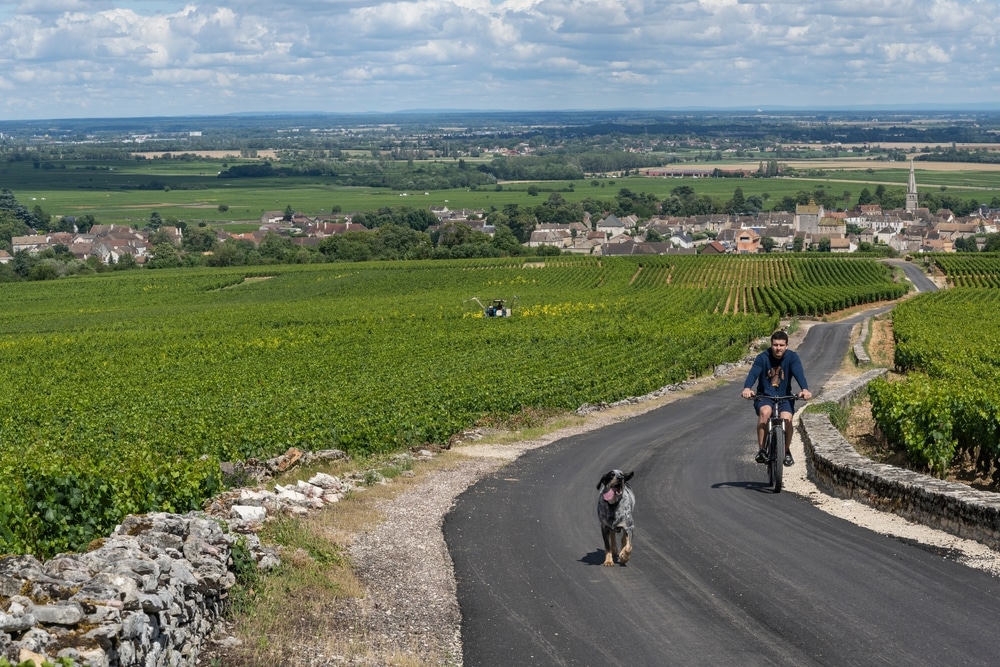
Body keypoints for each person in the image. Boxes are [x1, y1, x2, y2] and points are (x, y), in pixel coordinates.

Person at [741, 330, 812, 467]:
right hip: (765, 396)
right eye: (775, 345)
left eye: (781, 345)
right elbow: (753, 373)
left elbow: (799, 374)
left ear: (786, 345)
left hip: (784, 397)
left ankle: (785, 451)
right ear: (771, 344)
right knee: (765, 413)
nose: (778, 348)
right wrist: (747, 388)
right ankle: (762, 450)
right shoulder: (762, 357)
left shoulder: (792, 357)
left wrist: (805, 389)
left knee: (787, 418)